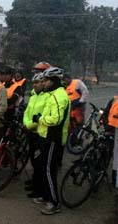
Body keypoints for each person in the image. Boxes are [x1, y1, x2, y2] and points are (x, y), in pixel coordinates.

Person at [32, 67, 70, 215]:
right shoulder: (53, 94)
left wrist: (39, 118)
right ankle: (45, 195)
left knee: (48, 170)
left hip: (52, 138)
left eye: (46, 80)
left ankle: (54, 203)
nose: (43, 83)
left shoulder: (58, 96)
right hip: (45, 136)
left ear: (53, 81)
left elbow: (55, 119)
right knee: (42, 167)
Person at [22, 73, 49, 198]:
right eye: (34, 83)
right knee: (33, 159)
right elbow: (27, 113)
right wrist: (26, 124)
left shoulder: (47, 97)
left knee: (39, 162)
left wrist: (30, 125)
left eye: (38, 82)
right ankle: (34, 182)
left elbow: (42, 116)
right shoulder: (33, 96)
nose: (36, 85)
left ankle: (38, 189)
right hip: (30, 132)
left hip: (39, 133)